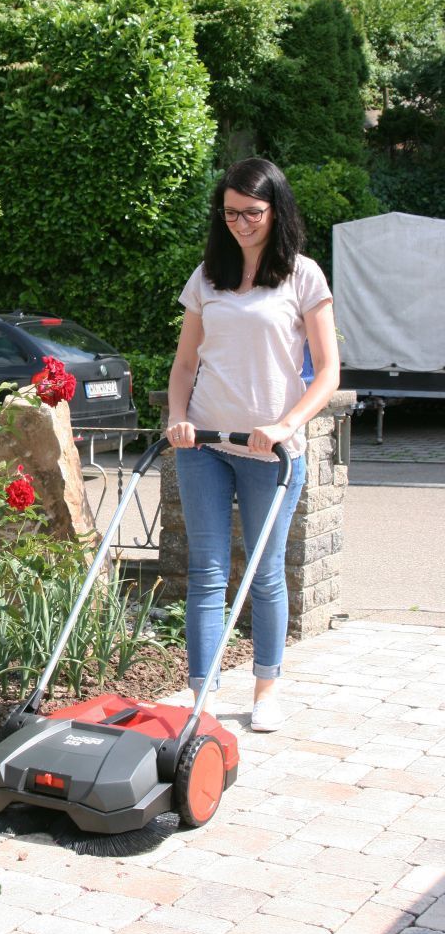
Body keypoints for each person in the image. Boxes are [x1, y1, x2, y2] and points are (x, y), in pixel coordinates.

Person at [165, 158, 339, 732]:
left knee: (265, 573)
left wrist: (288, 424)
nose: (240, 223)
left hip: (272, 453)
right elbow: (185, 363)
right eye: (231, 213)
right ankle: (203, 696)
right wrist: (178, 418)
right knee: (207, 572)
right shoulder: (208, 277)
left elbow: (329, 371)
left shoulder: (303, 277)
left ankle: (267, 689)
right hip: (205, 445)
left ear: (276, 210)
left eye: (252, 213)